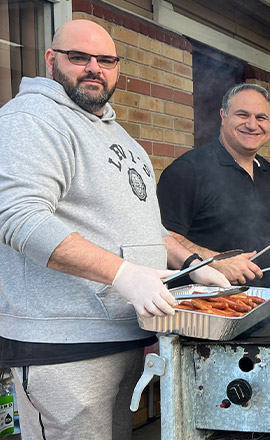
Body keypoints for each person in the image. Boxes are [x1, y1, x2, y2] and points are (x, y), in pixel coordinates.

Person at [0, 20, 229, 440]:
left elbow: (148, 227)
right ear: (51, 60)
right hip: (64, 347)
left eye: (105, 60)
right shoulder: (31, 119)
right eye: (79, 57)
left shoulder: (120, 136)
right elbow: (19, 218)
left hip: (125, 334)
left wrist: (193, 264)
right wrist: (123, 274)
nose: (94, 68)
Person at [157, 83, 270, 288]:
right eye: (242, 115)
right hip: (203, 310)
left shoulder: (269, 173)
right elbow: (161, 237)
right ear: (223, 115)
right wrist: (216, 263)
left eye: (261, 117)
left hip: (261, 305)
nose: (252, 125)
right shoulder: (187, 171)